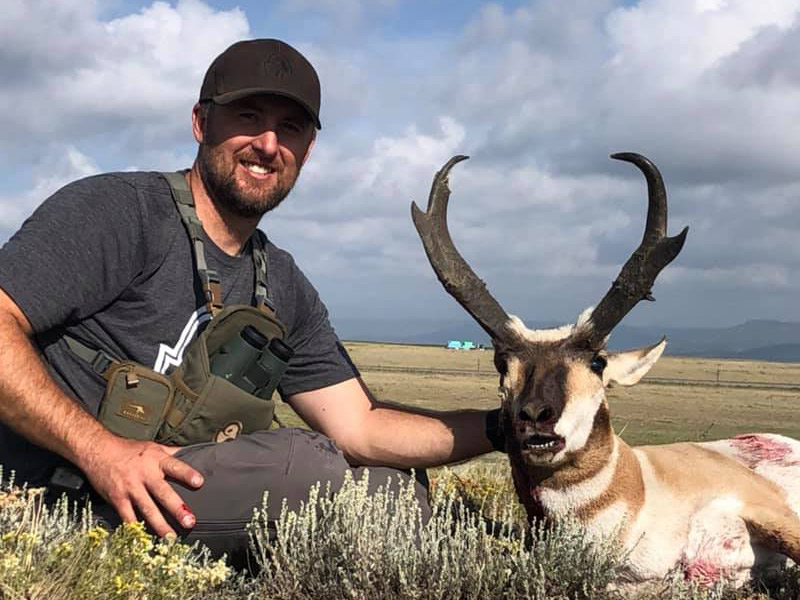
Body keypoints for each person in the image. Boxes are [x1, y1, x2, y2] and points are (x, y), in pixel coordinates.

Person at [0, 39, 503, 565]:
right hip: (48, 501)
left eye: (290, 128)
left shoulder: (282, 284)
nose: (267, 144)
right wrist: (101, 452)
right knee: (309, 466)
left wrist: (512, 427)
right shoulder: (119, 213)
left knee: (398, 495)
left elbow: (362, 427)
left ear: (306, 151)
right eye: (248, 116)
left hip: (174, 498)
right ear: (201, 123)